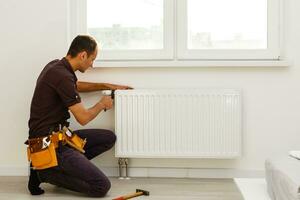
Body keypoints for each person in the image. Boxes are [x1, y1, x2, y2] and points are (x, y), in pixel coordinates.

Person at [27, 35, 132, 197]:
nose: (92, 64)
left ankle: (59, 167)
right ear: (83, 55)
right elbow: (83, 118)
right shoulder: (62, 75)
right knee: (101, 186)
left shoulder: (57, 67)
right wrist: (101, 104)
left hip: (61, 138)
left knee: (108, 138)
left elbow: (74, 86)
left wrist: (107, 85)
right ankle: (45, 172)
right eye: (92, 59)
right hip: (48, 146)